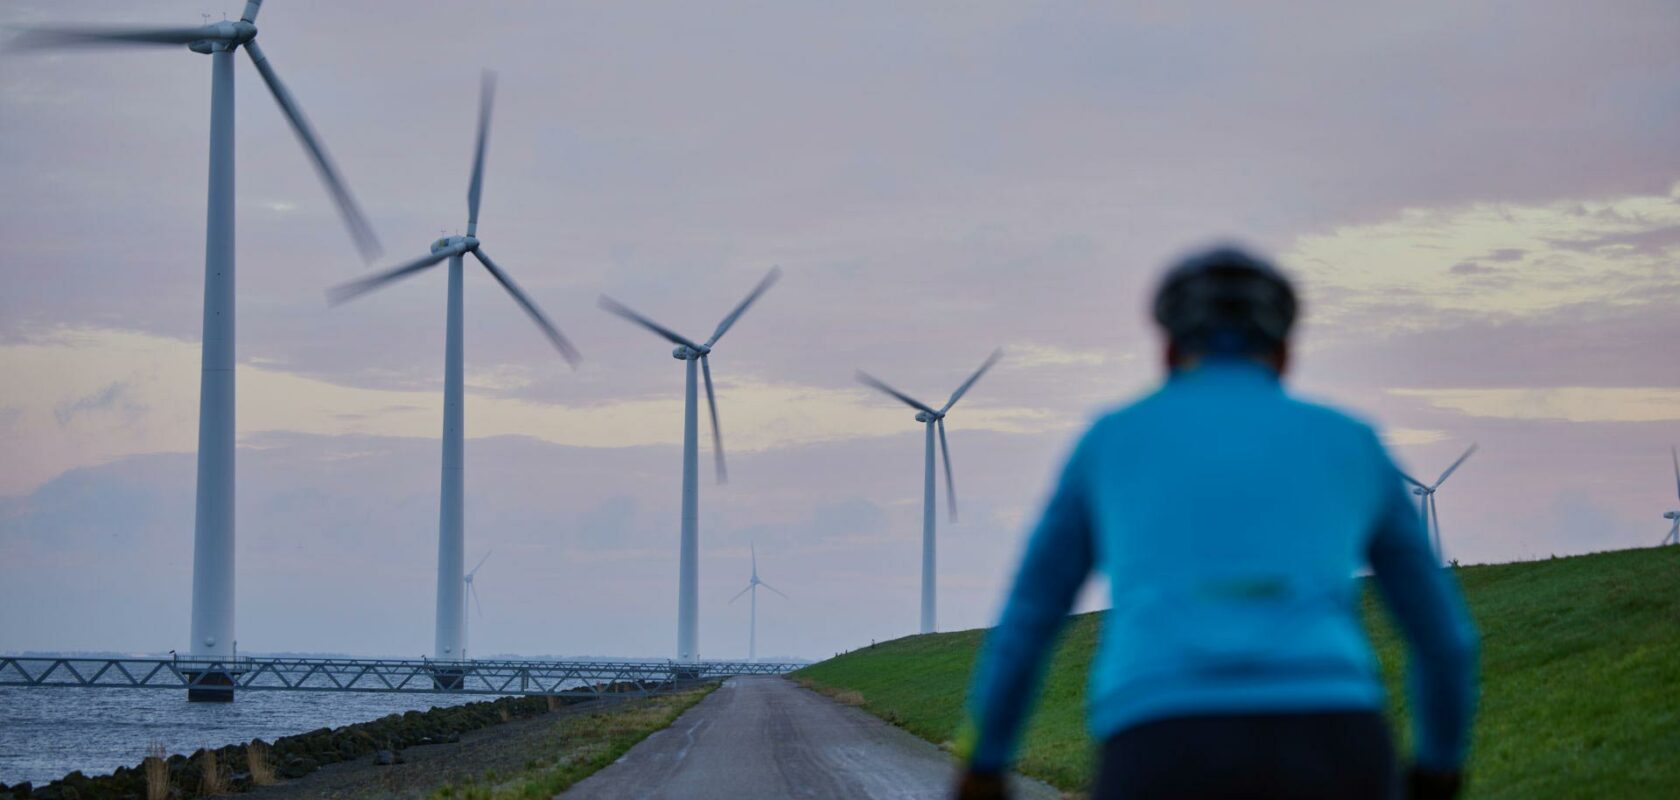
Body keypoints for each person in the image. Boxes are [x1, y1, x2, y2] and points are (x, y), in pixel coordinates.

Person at [953, 247, 1478, 800]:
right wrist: (1438, 768)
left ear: (1169, 348)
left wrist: (982, 766)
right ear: (1283, 353)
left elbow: (1028, 623)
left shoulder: (1111, 439)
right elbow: (1444, 640)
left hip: (1160, 739)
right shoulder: (1352, 440)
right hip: (1333, 737)